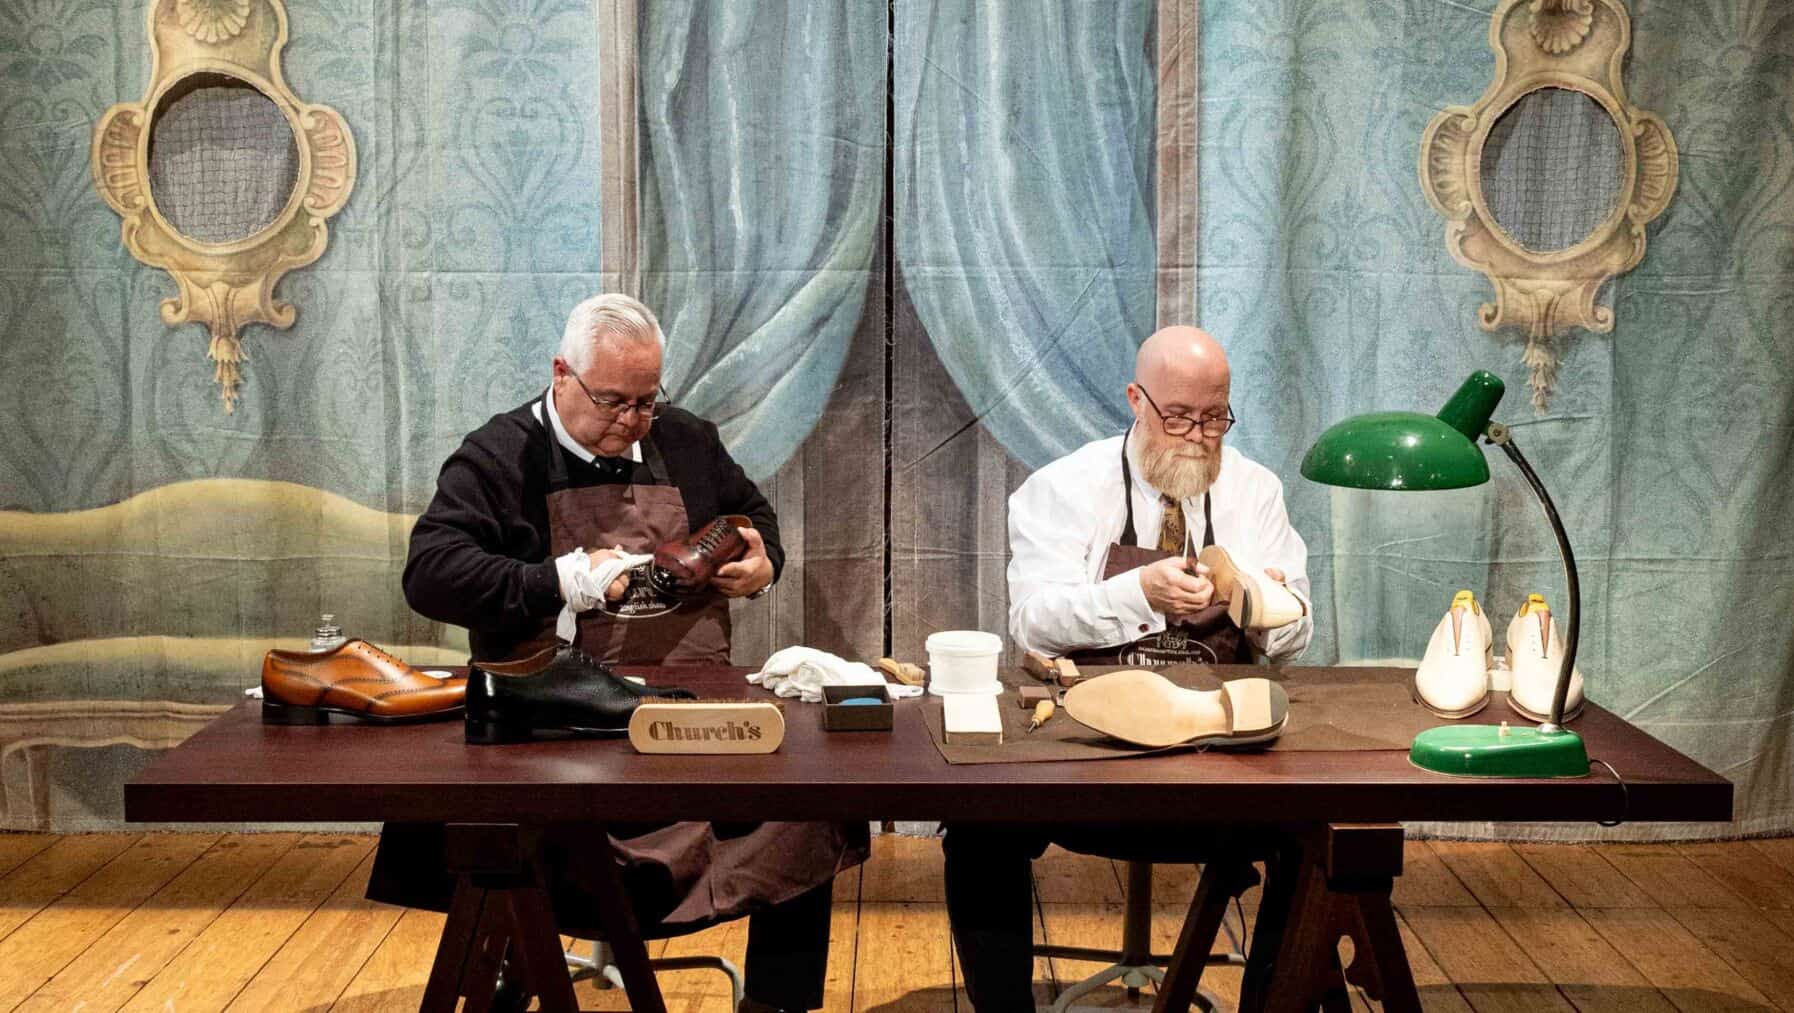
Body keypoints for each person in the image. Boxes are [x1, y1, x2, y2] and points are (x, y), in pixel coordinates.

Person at [368, 293, 866, 1013]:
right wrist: (561, 580)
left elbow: (753, 515)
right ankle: (516, 964)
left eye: (646, 401)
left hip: (689, 717)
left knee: (811, 803)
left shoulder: (687, 440)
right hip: (555, 728)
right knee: (506, 826)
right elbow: (431, 573)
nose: (631, 421)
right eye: (612, 402)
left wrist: (763, 562)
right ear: (561, 374)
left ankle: (775, 1004)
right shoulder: (501, 455)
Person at [945, 325, 1312, 1011]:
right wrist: (1137, 594)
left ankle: (1268, 1006)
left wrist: (1259, 603)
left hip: (1219, 756)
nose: (1198, 438)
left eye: (1214, 417)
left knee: (1318, 832)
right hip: (1088, 754)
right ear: (1136, 401)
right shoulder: (1064, 488)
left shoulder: (1254, 490)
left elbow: (1295, 638)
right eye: (1179, 417)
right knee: (978, 822)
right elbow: (1033, 620)